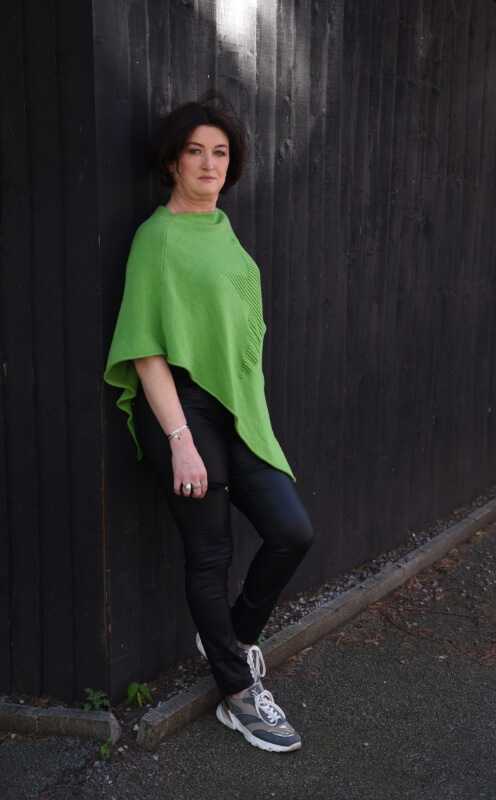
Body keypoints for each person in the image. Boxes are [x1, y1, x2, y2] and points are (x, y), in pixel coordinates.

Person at [104, 92, 313, 753]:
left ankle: (233, 640)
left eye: (219, 153)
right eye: (194, 151)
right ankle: (238, 695)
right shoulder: (157, 238)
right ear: (172, 162)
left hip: (233, 407)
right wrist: (181, 443)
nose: (208, 163)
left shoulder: (221, 228)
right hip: (183, 408)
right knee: (210, 553)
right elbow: (145, 349)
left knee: (291, 530)